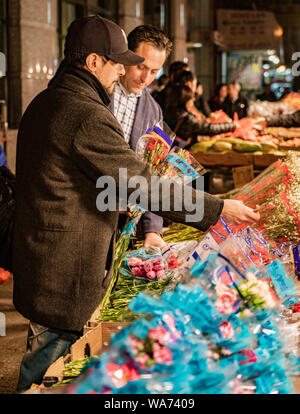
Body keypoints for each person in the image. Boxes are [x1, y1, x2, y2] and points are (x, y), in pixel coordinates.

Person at [13, 15, 260, 392]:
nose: (126, 72)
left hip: (50, 258)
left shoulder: (50, 100)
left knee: (48, 352)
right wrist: (217, 208)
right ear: (94, 62)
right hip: (63, 267)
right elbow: (142, 184)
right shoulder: (84, 114)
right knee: (49, 362)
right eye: (120, 62)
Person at [109, 25, 173, 249]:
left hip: (128, 221)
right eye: (141, 66)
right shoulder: (99, 93)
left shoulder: (154, 111)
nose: (146, 78)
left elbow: (153, 170)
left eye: (154, 71)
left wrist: (153, 228)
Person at [163, 84, 238, 148]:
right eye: (191, 98)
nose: (193, 99)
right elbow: (209, 128)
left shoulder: (169, 111)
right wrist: (232, 126)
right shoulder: (186, 118)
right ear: (185, 99)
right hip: (177, 151)